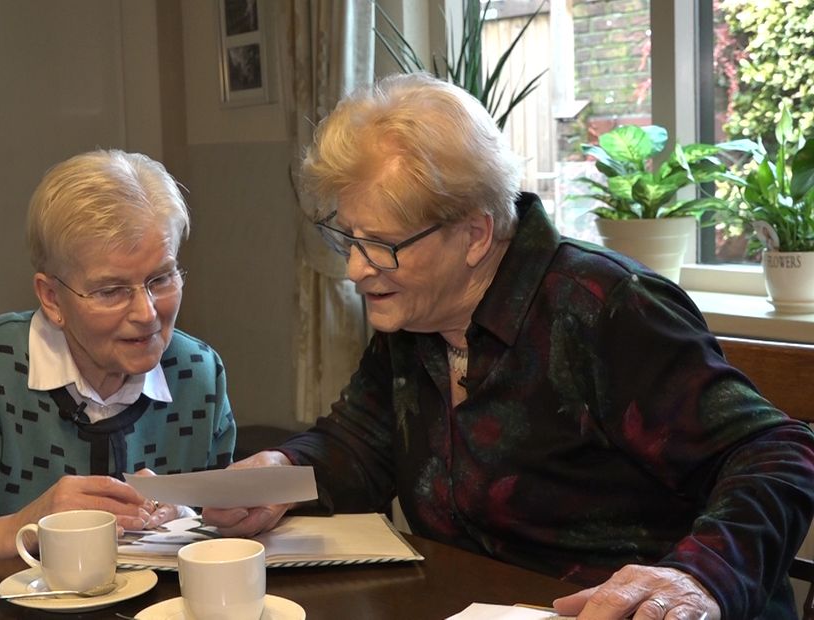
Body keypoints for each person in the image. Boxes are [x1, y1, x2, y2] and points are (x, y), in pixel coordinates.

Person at [203, 73, 814, 620]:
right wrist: (279, 473)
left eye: (382, 245)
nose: (357, 271)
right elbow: (362, 439)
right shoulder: (417, 315)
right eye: (349, 240)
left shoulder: (604, 307)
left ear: (474, 233)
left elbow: (779, 452)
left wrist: (696, 578)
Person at [0, 150, 236, 586]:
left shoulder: (197, 374)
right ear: (52, 298)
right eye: (111, 290)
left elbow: (222, 540)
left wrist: (191, 520)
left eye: (161, 279)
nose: (147, 313)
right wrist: (25, 527)